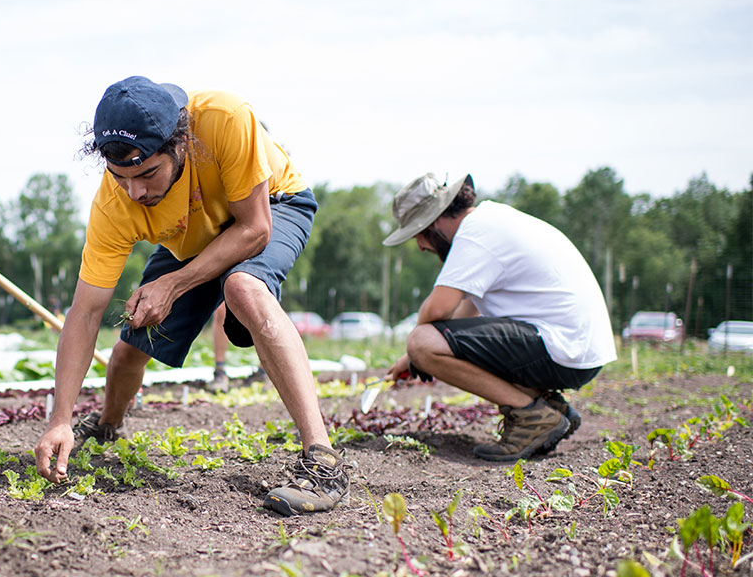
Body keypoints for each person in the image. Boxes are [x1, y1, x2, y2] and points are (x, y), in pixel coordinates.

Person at [34, 76, 348, 516]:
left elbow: (255, 229)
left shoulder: (225, 119)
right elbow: (85, 314)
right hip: (192, 234)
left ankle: (324, 462)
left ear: (181, 143)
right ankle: (105, 425)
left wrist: (174, 284)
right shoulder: (116, 203)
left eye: (147, 173)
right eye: (121, 177)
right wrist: (60, 417)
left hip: (272, 206)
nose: (136, 192)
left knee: (243, 288)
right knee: (128, 352)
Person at [383, 173, 616, 461]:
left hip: (565, 345)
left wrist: (415, 353)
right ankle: (547, 407)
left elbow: (436, 311)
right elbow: (463, 320)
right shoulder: (492, 221)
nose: (420, 246)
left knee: (421, 340)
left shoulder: (474, 233)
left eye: (418, 233)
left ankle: (532, 416)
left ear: (434, 222)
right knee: (431, 342)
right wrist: (417, 356)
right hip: (577, 346)